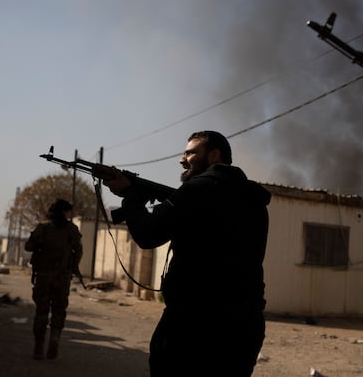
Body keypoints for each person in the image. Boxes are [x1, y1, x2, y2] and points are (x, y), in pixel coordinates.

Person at [99, 130, 271, 376]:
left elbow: (148, 234)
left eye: (191, 153)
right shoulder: (255, 201)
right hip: (245, 324)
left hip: (194, 323)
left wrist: (131, 197)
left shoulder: (196, 191)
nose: (182, 159)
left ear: (214, 155)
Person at [24, 198, 83, 360]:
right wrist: (73, 266)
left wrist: (40, 243)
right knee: (59, 310)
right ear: (64, 212)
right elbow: (78, 251)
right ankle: (55, 338)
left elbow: (28, 246)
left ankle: (38, 347)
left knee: (41, 311)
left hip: (43, 276)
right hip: (62, 278)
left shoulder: (43, 228)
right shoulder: (71, 229)